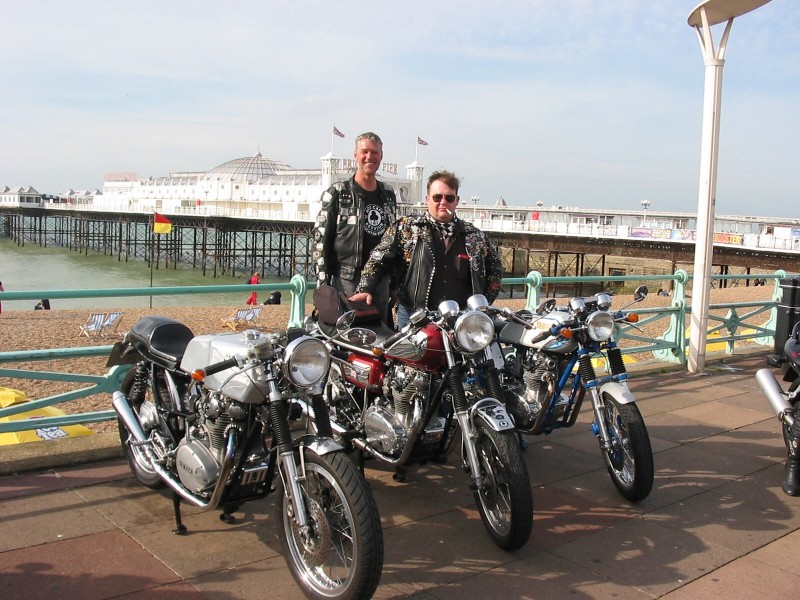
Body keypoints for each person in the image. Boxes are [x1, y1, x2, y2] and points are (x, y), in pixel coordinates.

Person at [351, 170, 502, 329]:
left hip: (460, 321)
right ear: (427, 199)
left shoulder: (474, 236)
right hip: (414, 316)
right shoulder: (406, 228)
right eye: (437, 197)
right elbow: (378, 259)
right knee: (408, 354)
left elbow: (496, 270)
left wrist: (482, 303)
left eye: (449, 197)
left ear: (456, 201)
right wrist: (365, 288)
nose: (443, 202)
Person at [314, 131, 397, 324]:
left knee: (381, 337)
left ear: (381, 156)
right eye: (364, 152)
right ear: (355, 155)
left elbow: (393, 243)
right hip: (347, 279)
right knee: (348, 337)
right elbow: (321, 244)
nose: (370, 157)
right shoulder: (338, 193)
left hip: (381, 280)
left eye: (375, 152)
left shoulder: (388, 194)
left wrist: (394, 284)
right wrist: (323, 289)